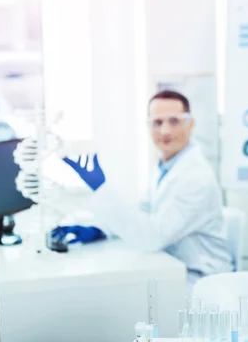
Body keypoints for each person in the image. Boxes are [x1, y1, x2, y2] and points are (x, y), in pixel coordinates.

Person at [55, 90, 233, 288]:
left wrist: (101, 188)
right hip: (173, 268)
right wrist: (100, 229)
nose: (164, 131)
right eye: (157, 123)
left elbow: (153, 237)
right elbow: (144, 212)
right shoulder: (167, 166)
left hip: (201, 281)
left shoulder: (196, 178)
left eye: (174, 121)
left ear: (190, 125)